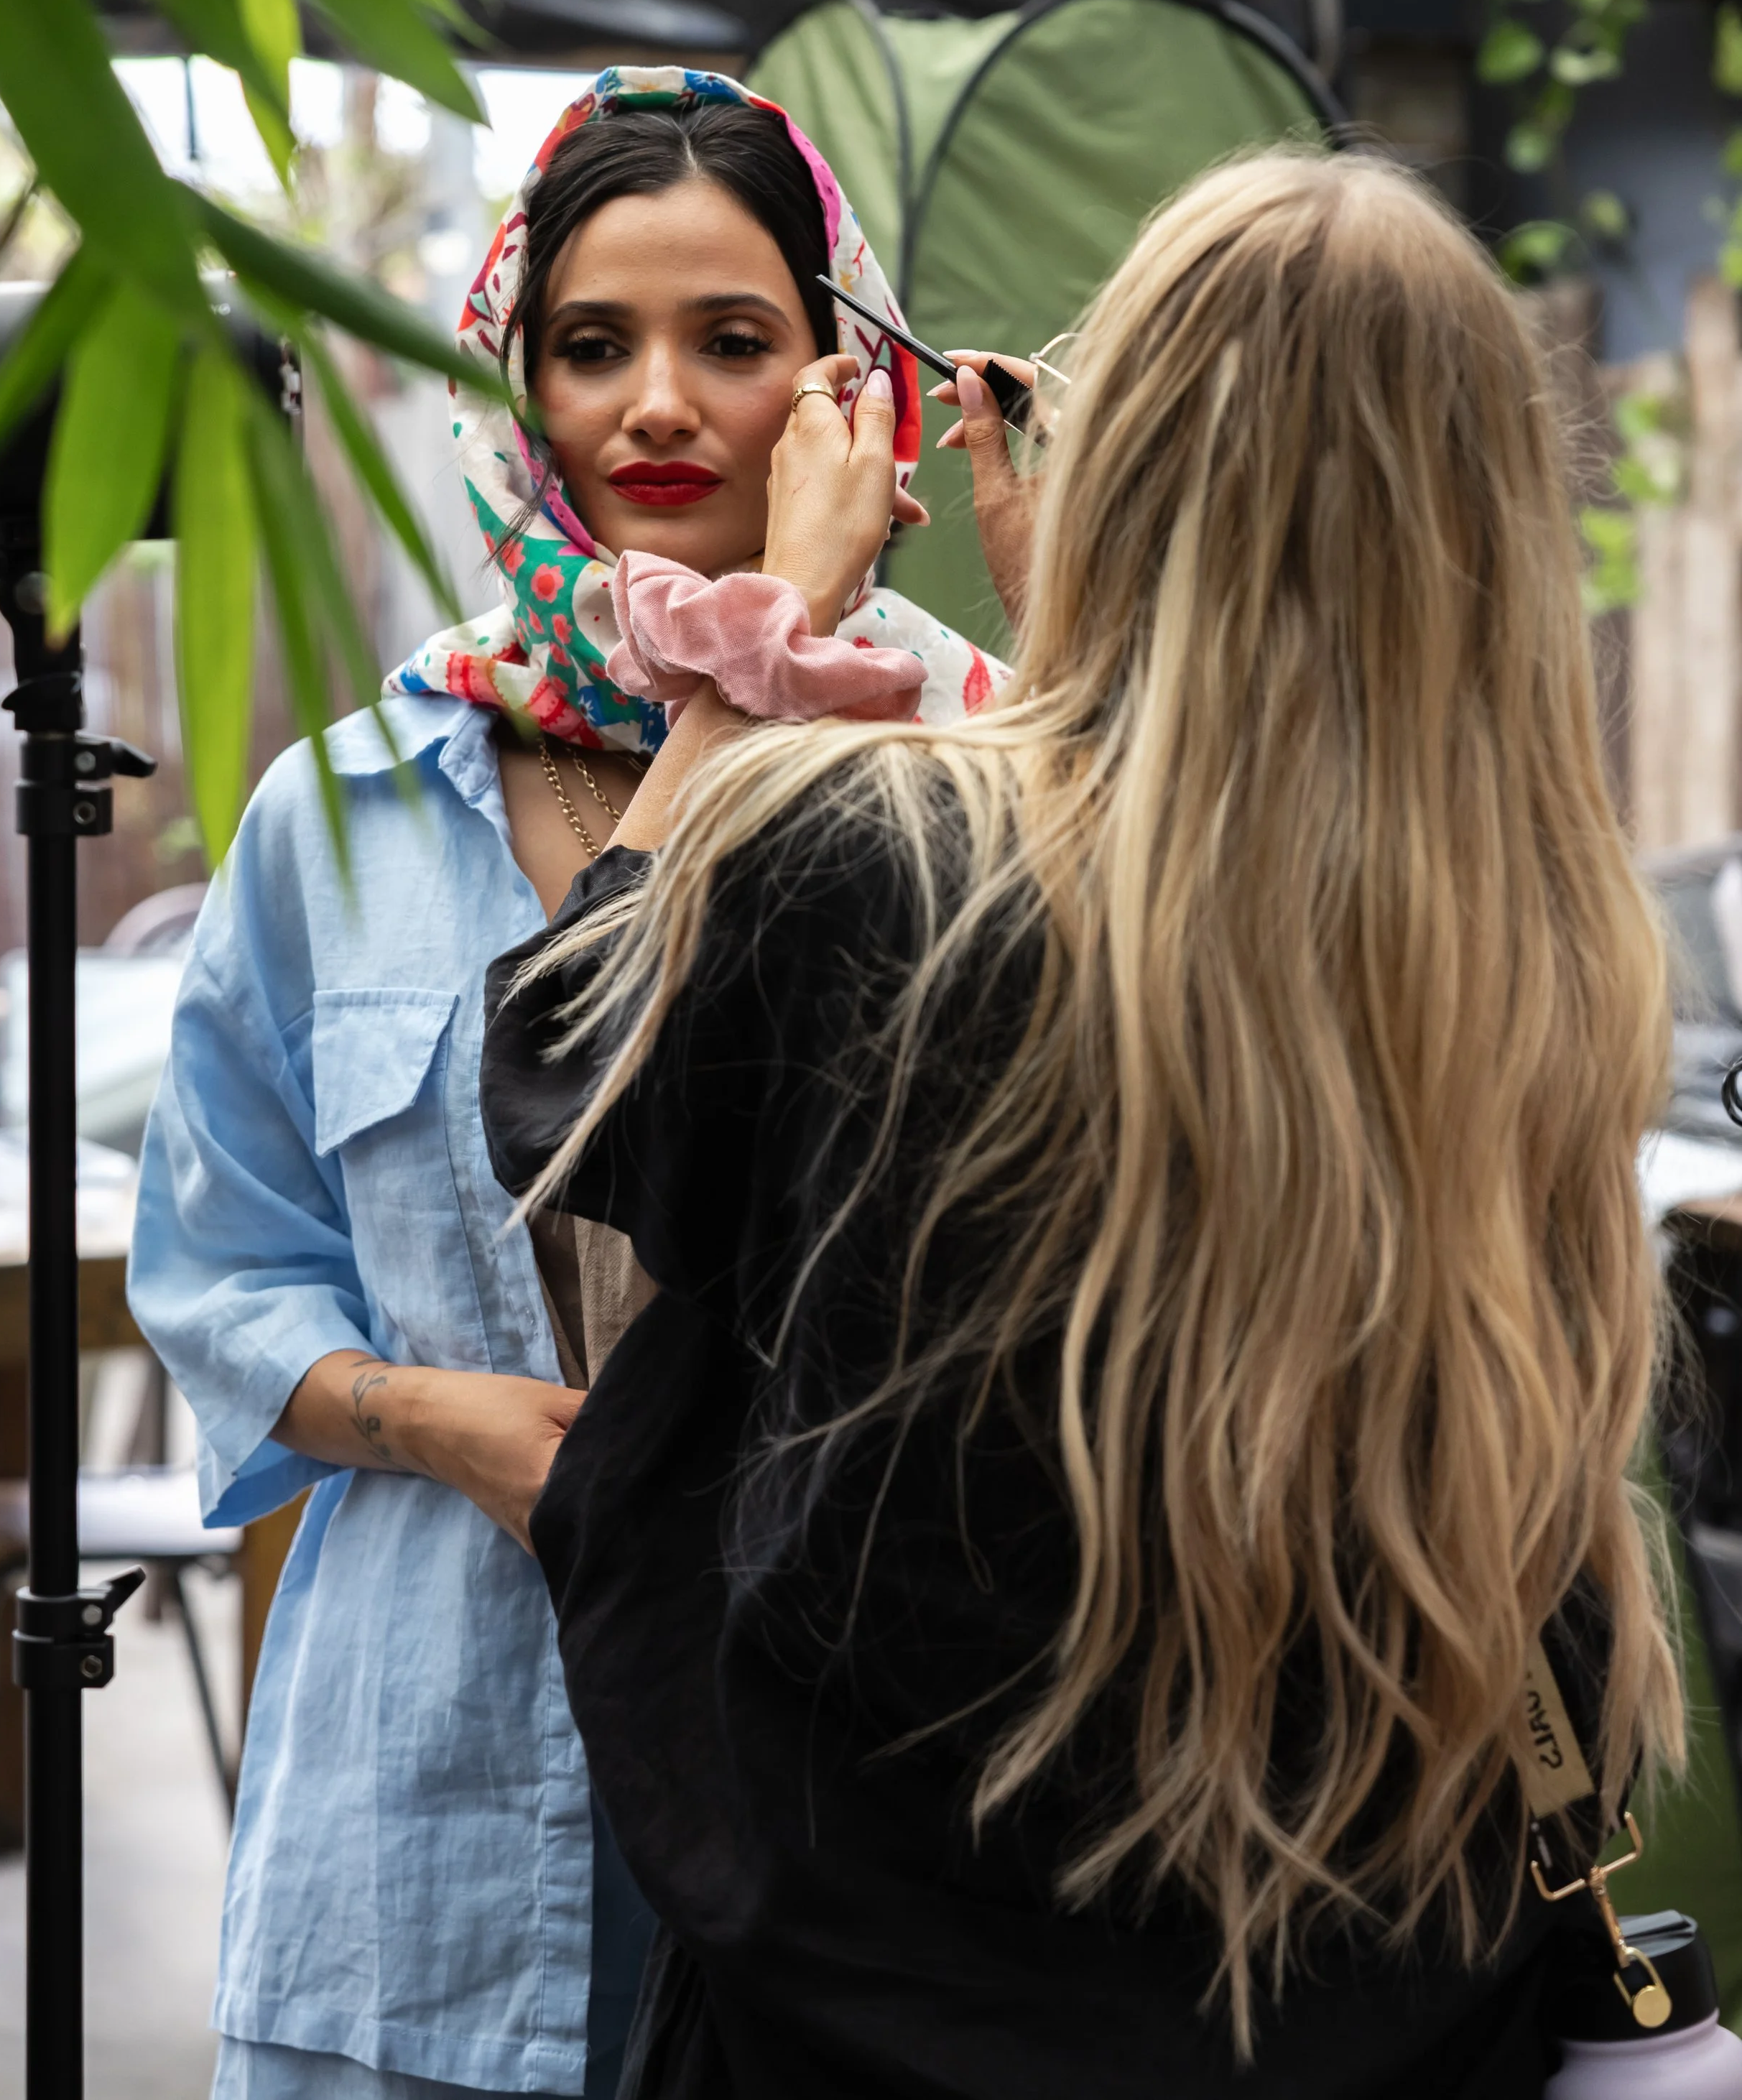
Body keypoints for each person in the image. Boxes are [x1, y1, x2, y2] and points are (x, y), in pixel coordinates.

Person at [481, 149, 1686, 2100]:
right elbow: (1183, 891)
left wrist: (768, 629)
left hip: (888, 2015)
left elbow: (558, 1071)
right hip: (1383, 2007)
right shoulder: (1540, 954)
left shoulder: (866, 852)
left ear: (1120, 468)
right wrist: (1090, 651)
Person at [129, 66, 999, 2100]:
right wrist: (436, 1418)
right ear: (508, 379)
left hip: (866, 1817)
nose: (657, 407)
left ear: (841, 379)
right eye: (591, 345)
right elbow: (216, 1267)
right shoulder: (341, 810)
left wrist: (758, 665)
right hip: (421, 1839)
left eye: (734, 340)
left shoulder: (980, 771)